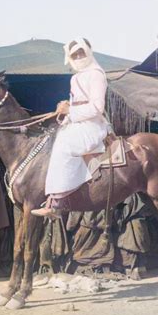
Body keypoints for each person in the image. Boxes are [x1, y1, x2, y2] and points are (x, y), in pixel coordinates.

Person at [31, 38, 110, 218]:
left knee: (64, 144)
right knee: (53, 138)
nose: (80, 56)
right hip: (78, 123)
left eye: (82, 52)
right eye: (75, 54)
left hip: (93, 125)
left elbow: (97, 108)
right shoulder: (75, 78)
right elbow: (75, 105)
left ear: (89, 52)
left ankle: (57, 202)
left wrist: (71, 110)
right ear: (70, 57)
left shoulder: (97, 74)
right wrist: (65, 111)